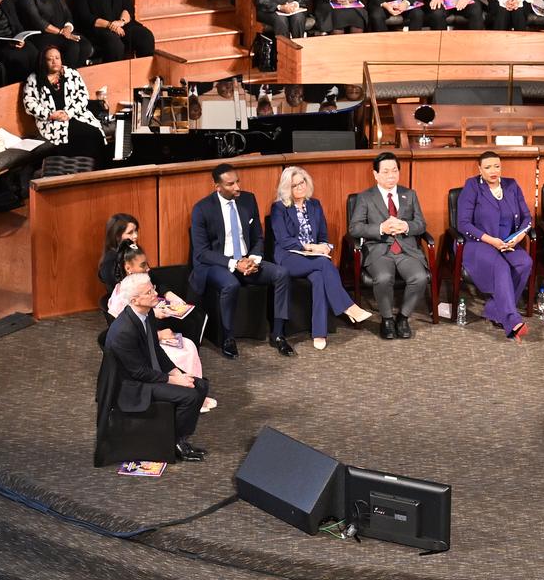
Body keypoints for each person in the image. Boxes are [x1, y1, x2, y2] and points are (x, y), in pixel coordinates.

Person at [101, 274, 210, 464]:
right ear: (134, 300)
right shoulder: (123, 331)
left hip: (147, 374)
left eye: (153, 288)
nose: (156, 294)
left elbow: (156, 350)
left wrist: (177, 372)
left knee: (200, 385)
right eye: (149, 292)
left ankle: (179, 438)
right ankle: (173, 443)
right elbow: (138, 373)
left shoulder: (146, 313)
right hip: (132, 386)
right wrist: (174, 381)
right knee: (190, 395)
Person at [266, 165, 376, 349]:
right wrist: (310, 247)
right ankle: (348, 307)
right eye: (294, 185)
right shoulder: (279, 208)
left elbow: (323, 235)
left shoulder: (314, 205)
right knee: (325, 265)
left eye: (302, 182)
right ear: (287, 188)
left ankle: (319, 332)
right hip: (289, 256)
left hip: (314, 257)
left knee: (319, 277)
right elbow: (284, 241)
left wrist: (325, 246)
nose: (300, 187)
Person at [188, 164, 288, 358]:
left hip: (247, 260)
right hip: (217, 264)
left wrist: (252, 259)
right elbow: (201, 253)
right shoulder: (202, 209)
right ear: (217, 186)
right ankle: (228, 337)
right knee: (230, 284)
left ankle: (278, 334)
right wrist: (235, 264)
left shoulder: (248, 200)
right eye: (230, 184)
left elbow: (258, 237)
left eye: (237, 181)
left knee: (281, 274)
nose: (237, 187)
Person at [346, 151, 428, 339]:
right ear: (376, 175)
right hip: (379, 249)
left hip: (406, 249)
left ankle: (403, 317)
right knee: (383, 278)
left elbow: (422, 224)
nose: (391, 176)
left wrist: (406, 226)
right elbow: (355, 228)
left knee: (420, 277)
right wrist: (381, 228)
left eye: (394, 171)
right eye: (385, 172)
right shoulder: (365, 197)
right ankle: (387, 319)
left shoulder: (409, 194)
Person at [456, 150, 536, 337]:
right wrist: (492, 241)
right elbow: (463, 223)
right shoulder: (472, 186)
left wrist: (518, 237)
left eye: (497, 166)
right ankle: (512, 319)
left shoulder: (511, 185)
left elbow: (527, 217)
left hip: (508, 242)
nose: (493, 171)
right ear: (480, 169)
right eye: (488, 167)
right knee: (500, 266)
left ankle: (494, 309)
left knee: (525, 263)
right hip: (479, 243)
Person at [22, 42, 109, 163]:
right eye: (50, 59)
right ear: (43, 62)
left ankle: (97, 169)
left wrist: (69, 113)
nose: (54, 62)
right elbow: (29, 104)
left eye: (57, 58)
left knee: (94, 133)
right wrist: (49, 114)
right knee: (83, 135)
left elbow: (83, 96)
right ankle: (79, 170)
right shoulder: (34, 79)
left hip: (75, 115)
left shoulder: (71, 74)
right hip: (53, 121)